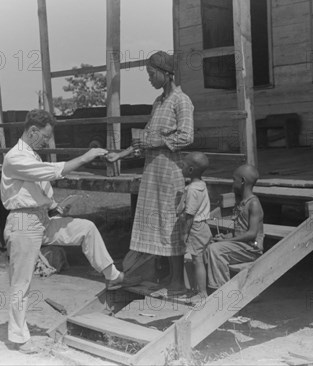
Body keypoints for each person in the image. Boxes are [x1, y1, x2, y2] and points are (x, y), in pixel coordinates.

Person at [1, 109, 124, 354]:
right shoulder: (15, 157)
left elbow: (39, 191)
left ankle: (112, 275)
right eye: (45, 136)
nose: (47, 141)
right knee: (21, 283)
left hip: (41, 219)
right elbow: (52, 171)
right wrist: (86, 157)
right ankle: (18, 337)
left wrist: (56, 205)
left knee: (86, 228)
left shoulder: (32, 156)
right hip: (22, 223)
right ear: (32, 130)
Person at [107, 51, 194, 294]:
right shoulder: (158, 103)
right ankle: (161, 275)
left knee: (171, 223)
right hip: (152, 172)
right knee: (156, 224)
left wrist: (157, 143)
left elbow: (187, 136)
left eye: (152, 74)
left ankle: (177, 281)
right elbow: (145, 139)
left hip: (170, 172)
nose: (149, 79)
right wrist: (120, 155)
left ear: (166, 74)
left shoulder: (181, 100)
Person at [204, 164, 264, 291]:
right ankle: (214, 289)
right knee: (210, 245)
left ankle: (222, 291)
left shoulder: (253, 203)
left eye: (233, 179)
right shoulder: (241, 202)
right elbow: (240, 231)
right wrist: (225, 237)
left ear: (242, 181)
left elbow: (251, 234)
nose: (232, 183)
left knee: (216, 250)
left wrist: (225, 242)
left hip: (251, 249)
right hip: (242, 246)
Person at [177, 152, 212, 302]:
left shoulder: (192, 190)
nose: (181, 168)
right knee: (196, 259)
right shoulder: (200, 185)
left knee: (197, 260)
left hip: (195, 227)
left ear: (190, 170)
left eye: (183, 166)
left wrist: (184, 233)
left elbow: (190, 215)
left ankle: (202, 293)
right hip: (202, 226)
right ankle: (195, 289)